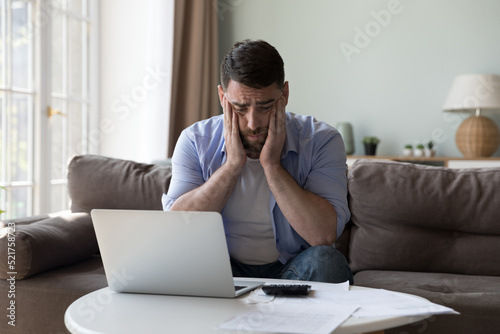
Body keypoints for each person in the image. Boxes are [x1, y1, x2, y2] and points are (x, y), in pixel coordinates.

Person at [162, 39, 353, 284]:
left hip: (294, 271)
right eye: (240, 108)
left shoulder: (321, 140)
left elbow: (323, 236)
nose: (253, 123)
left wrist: (272, 166)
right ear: (222, 97)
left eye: (265, 106)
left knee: (327, 261)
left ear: (284, 94)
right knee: (178, 260)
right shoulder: (194, 140)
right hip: (220, 269)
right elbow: (177, 229)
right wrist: (231, 166)